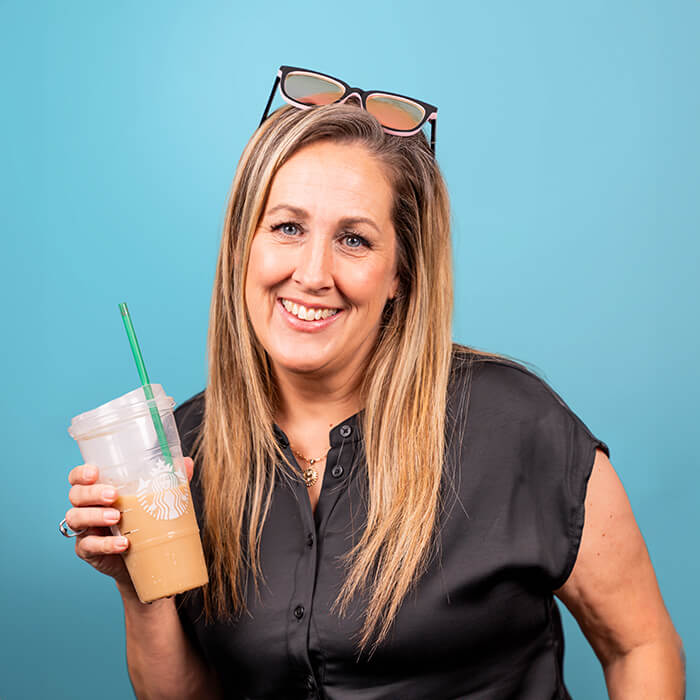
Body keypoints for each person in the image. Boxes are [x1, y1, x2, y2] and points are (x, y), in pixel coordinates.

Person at [63, 67, 684, 699]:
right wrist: (135, 584)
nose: (312, 272)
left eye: (354, 240)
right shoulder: (184, 452)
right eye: (287, 227)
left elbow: (639, 644)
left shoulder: (516, 426)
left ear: (400, 276)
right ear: (242, 246)